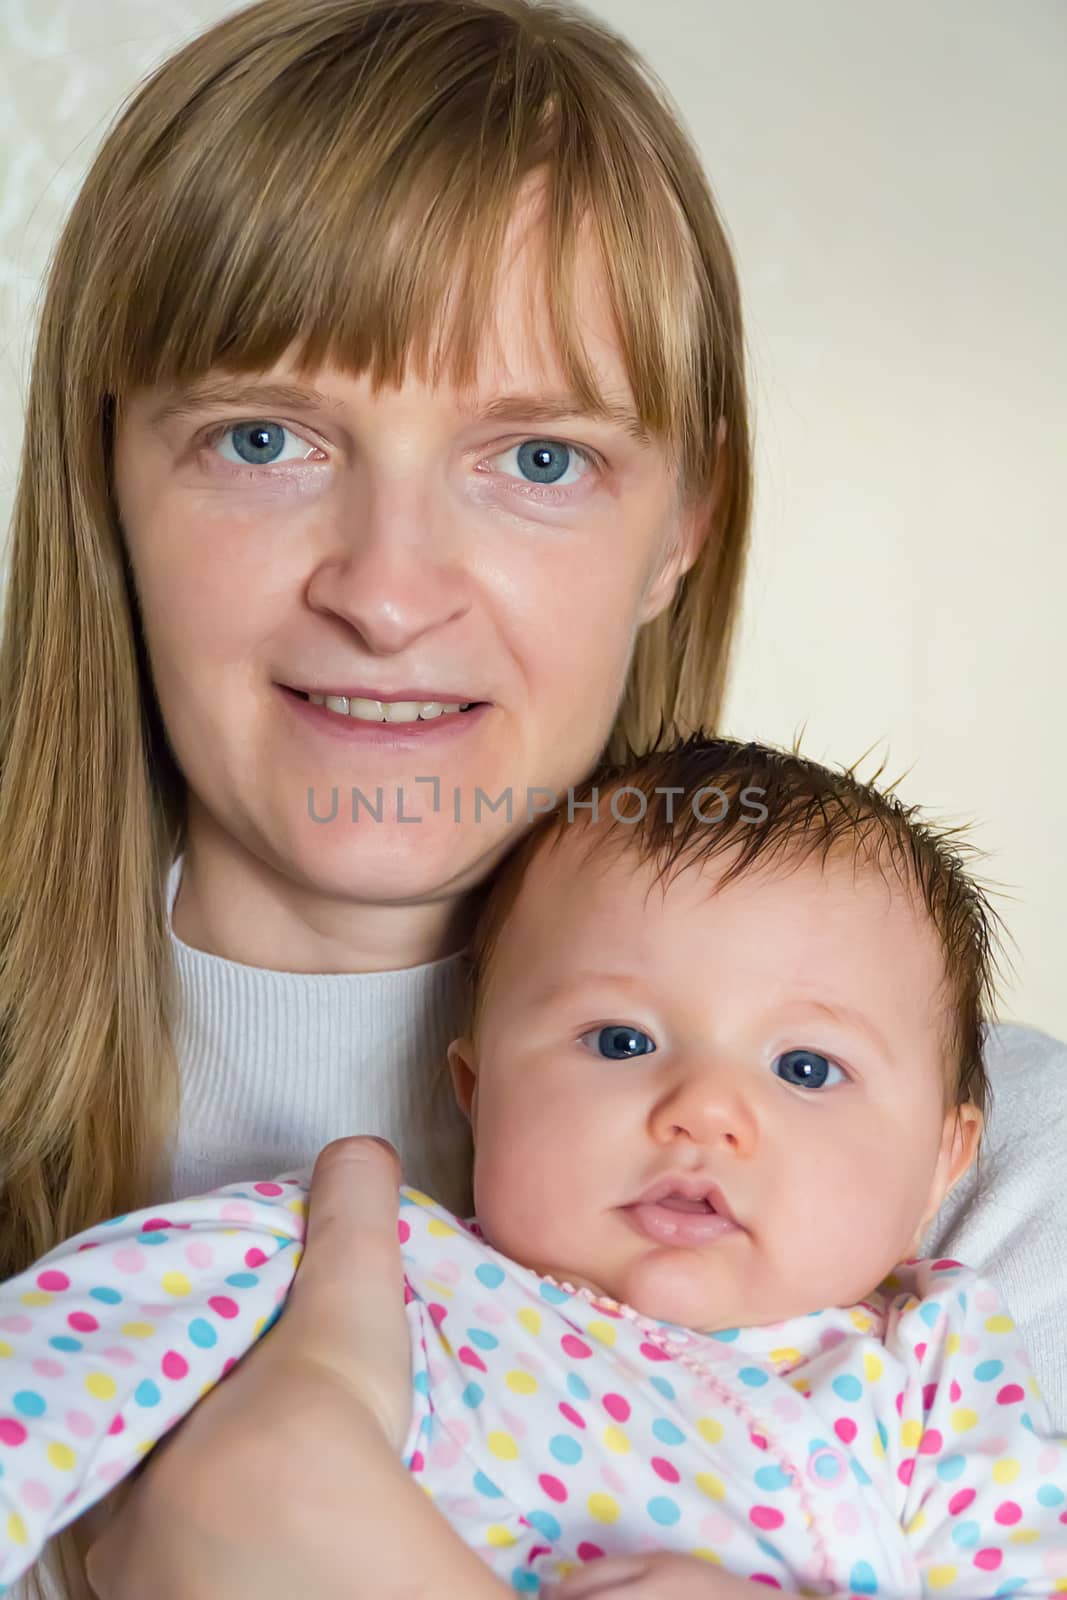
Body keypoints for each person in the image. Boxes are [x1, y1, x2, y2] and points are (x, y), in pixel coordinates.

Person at [0, 1, 1061, 1597]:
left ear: (683, 522)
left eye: (538, 459)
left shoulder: (992, 1190)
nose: (385, 591)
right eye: (267, 436)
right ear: (109, 489)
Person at [1, 738, 1064, 1600]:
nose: (701, 1111)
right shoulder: (359, 1262)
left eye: (803, 1065)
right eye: (619, 1040)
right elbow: (48, 1371)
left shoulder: (933, 1364)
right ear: (475, 1090)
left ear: (943, 1161)